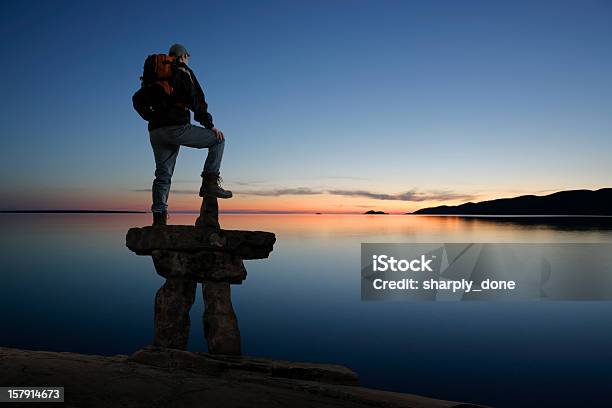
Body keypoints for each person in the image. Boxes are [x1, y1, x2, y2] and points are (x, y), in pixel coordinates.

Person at [147, 43, 232, 226]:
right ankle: (209, 183)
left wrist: (152, 118)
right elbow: (197, 101)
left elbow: (136, 100)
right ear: (183, 56)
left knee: (163, 175)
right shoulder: (183, 70)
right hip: (176, 128)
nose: (188, 60)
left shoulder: (154, 74)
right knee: (218, 142)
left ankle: (159, 218)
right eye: (188, 57)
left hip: (155, 131)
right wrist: (210, 126)